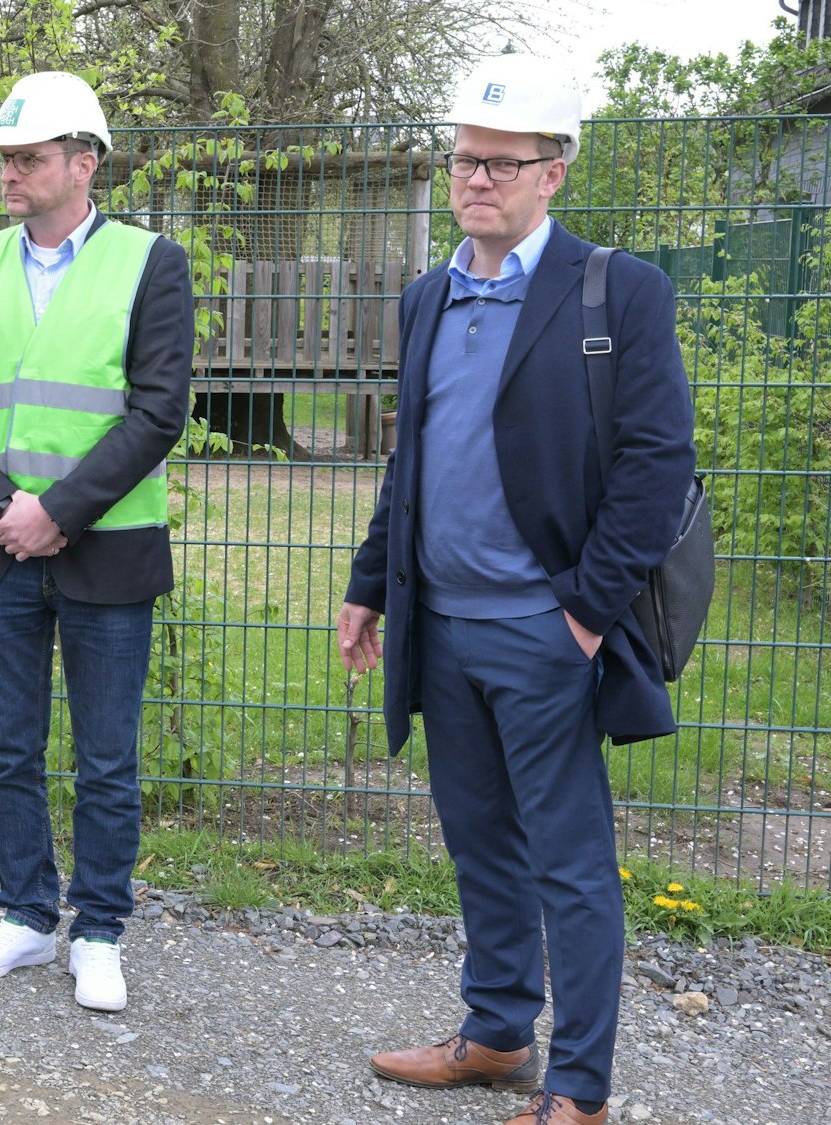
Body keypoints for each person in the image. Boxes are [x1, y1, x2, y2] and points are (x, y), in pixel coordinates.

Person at [337, 54, 696, 1125]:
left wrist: (583, 613)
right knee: (476, 835)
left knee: (569, 860)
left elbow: (653, 464)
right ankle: (495, 1033)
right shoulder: (430, 293)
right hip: (439, 629)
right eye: (462, 160)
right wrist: (370, 585)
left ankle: (577, 1087)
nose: (476, 179)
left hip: (546, 634)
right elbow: (409, 464)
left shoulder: (612, 290)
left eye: (501, 163)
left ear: (555, 171)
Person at [0, 72, 193, 1014]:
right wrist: (3, 504)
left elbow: (159, 412)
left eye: (29, 158)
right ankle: (28, 915)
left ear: (85, 164)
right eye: (5, 159)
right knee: (9, 748)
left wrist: (58, 510)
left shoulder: (151, 263)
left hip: (104, 548)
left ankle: (101, 929)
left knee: (107, 755)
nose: (10, 174)